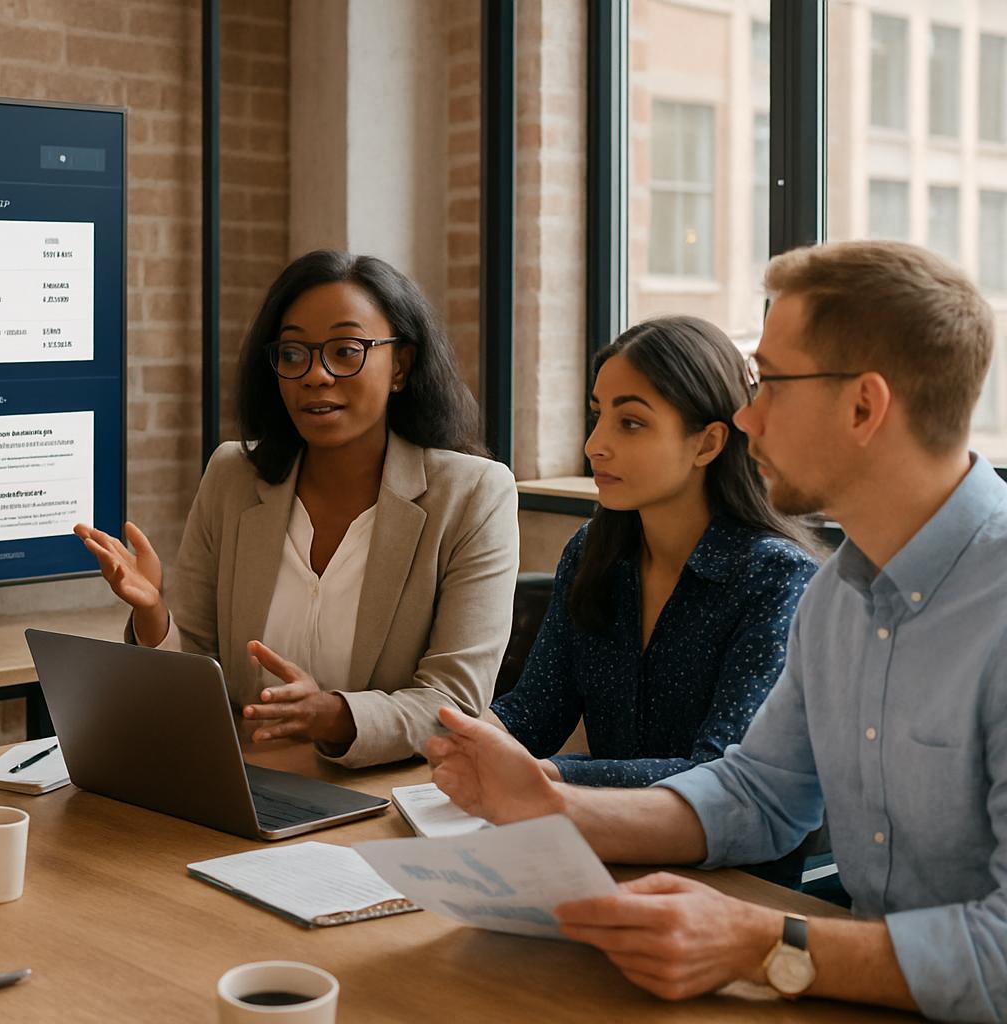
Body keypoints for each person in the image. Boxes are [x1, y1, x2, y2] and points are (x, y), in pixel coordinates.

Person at [427, 240, 1005, 1019]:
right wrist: (553, 809)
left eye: (769, 382)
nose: (744, 415)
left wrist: (762, 942)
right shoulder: (840, 595)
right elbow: (757, 792)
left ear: (864, 406)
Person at [76, 250, 518, 767]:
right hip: (243, 781)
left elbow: (453, 701)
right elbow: (197, 669)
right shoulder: (232, 476)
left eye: (345, 350)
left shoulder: (474, 495)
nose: (315, 375)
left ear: (401, 365)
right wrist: (151, 613)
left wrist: (334, 716)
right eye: (293, 354)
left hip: (383, 796)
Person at [489, 316, 819, 787]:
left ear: (708, 443)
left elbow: (719, 775)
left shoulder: (776, 577)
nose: (594, 445)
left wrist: (552, 776)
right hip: (598, 839)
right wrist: (458, 738)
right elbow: (532, 715)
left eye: (630, 423)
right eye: (596, 416)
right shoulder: (591, 552)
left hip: (719, 859)